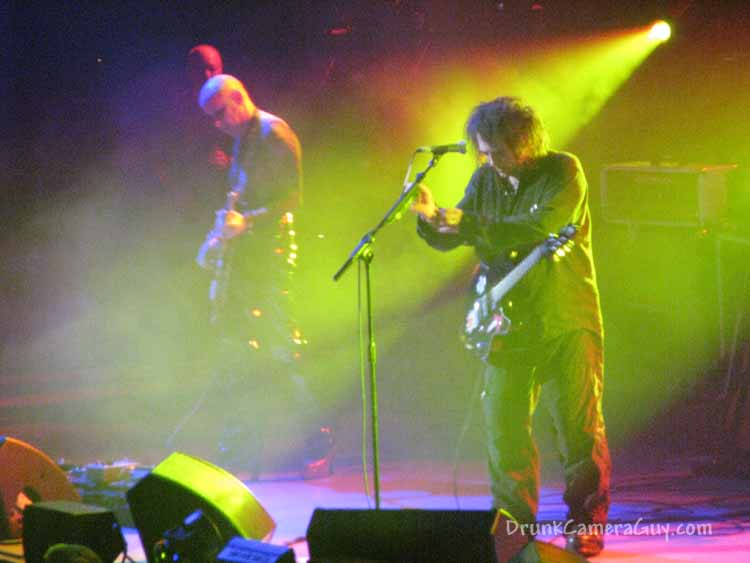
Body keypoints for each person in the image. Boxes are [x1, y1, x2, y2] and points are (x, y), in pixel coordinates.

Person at [411, 97, 611, 558]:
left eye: (497, 151)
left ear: (524, 144)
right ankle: (513, 527)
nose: (488, 161)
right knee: (504, 428)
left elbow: (538, 227)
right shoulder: (485, 179)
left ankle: (585, 523)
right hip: (509, 325)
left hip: (565, 318)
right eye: (482, 152)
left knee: (578, 429)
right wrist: (432, 221)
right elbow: (460, 232)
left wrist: (468, 222)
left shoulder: (564, 172)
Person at [195, 74, 330, 476]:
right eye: (212, 118)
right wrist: (217, 237)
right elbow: (240, 198)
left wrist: (246, 223)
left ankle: (317, 442)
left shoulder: (275, 134)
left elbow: (293, 199)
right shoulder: (243, 140)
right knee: (238, 351)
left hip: (272, 258)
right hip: (248, 257)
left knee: (280, 351)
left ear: (239, 99)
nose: (218, 124)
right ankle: (239, 447)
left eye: (220, 114)